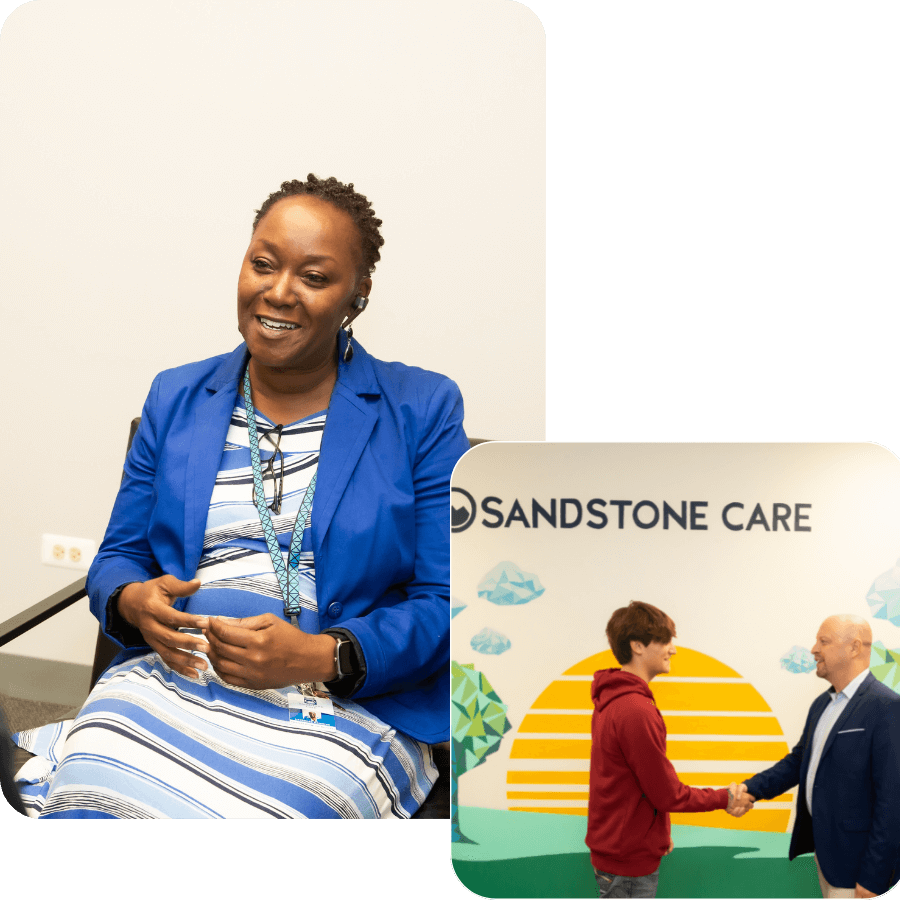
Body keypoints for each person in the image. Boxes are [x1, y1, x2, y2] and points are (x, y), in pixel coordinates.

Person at [17, 174, 468, 818]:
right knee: (96, 790)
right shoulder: (176, 397)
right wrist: (133, 601)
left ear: (356, 297)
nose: (278, 291)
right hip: (172, 679)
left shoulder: (420, 409)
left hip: (341, 706)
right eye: (263, 263)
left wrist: (323, 653)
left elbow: (445, 601)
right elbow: (117, 557)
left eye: (313, 277)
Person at [586, 601, 753, 898]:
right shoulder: (635, 709)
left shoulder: (615, 701)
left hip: (621, 852)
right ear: (637, 645)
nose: (672, 649)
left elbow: (632, 783)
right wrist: (726, 797)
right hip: (627, 863)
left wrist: (655, 833)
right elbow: (666, 793)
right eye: (664, 641)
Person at [737, 615, 900, 898]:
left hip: (858, 870)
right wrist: (751, 789)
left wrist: (875, 875)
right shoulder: (822, 704)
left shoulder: (886, 707)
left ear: (854, 648)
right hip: (826, 859)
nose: (813, 649)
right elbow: (799, 762)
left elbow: (893, 799)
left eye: (823, 641)